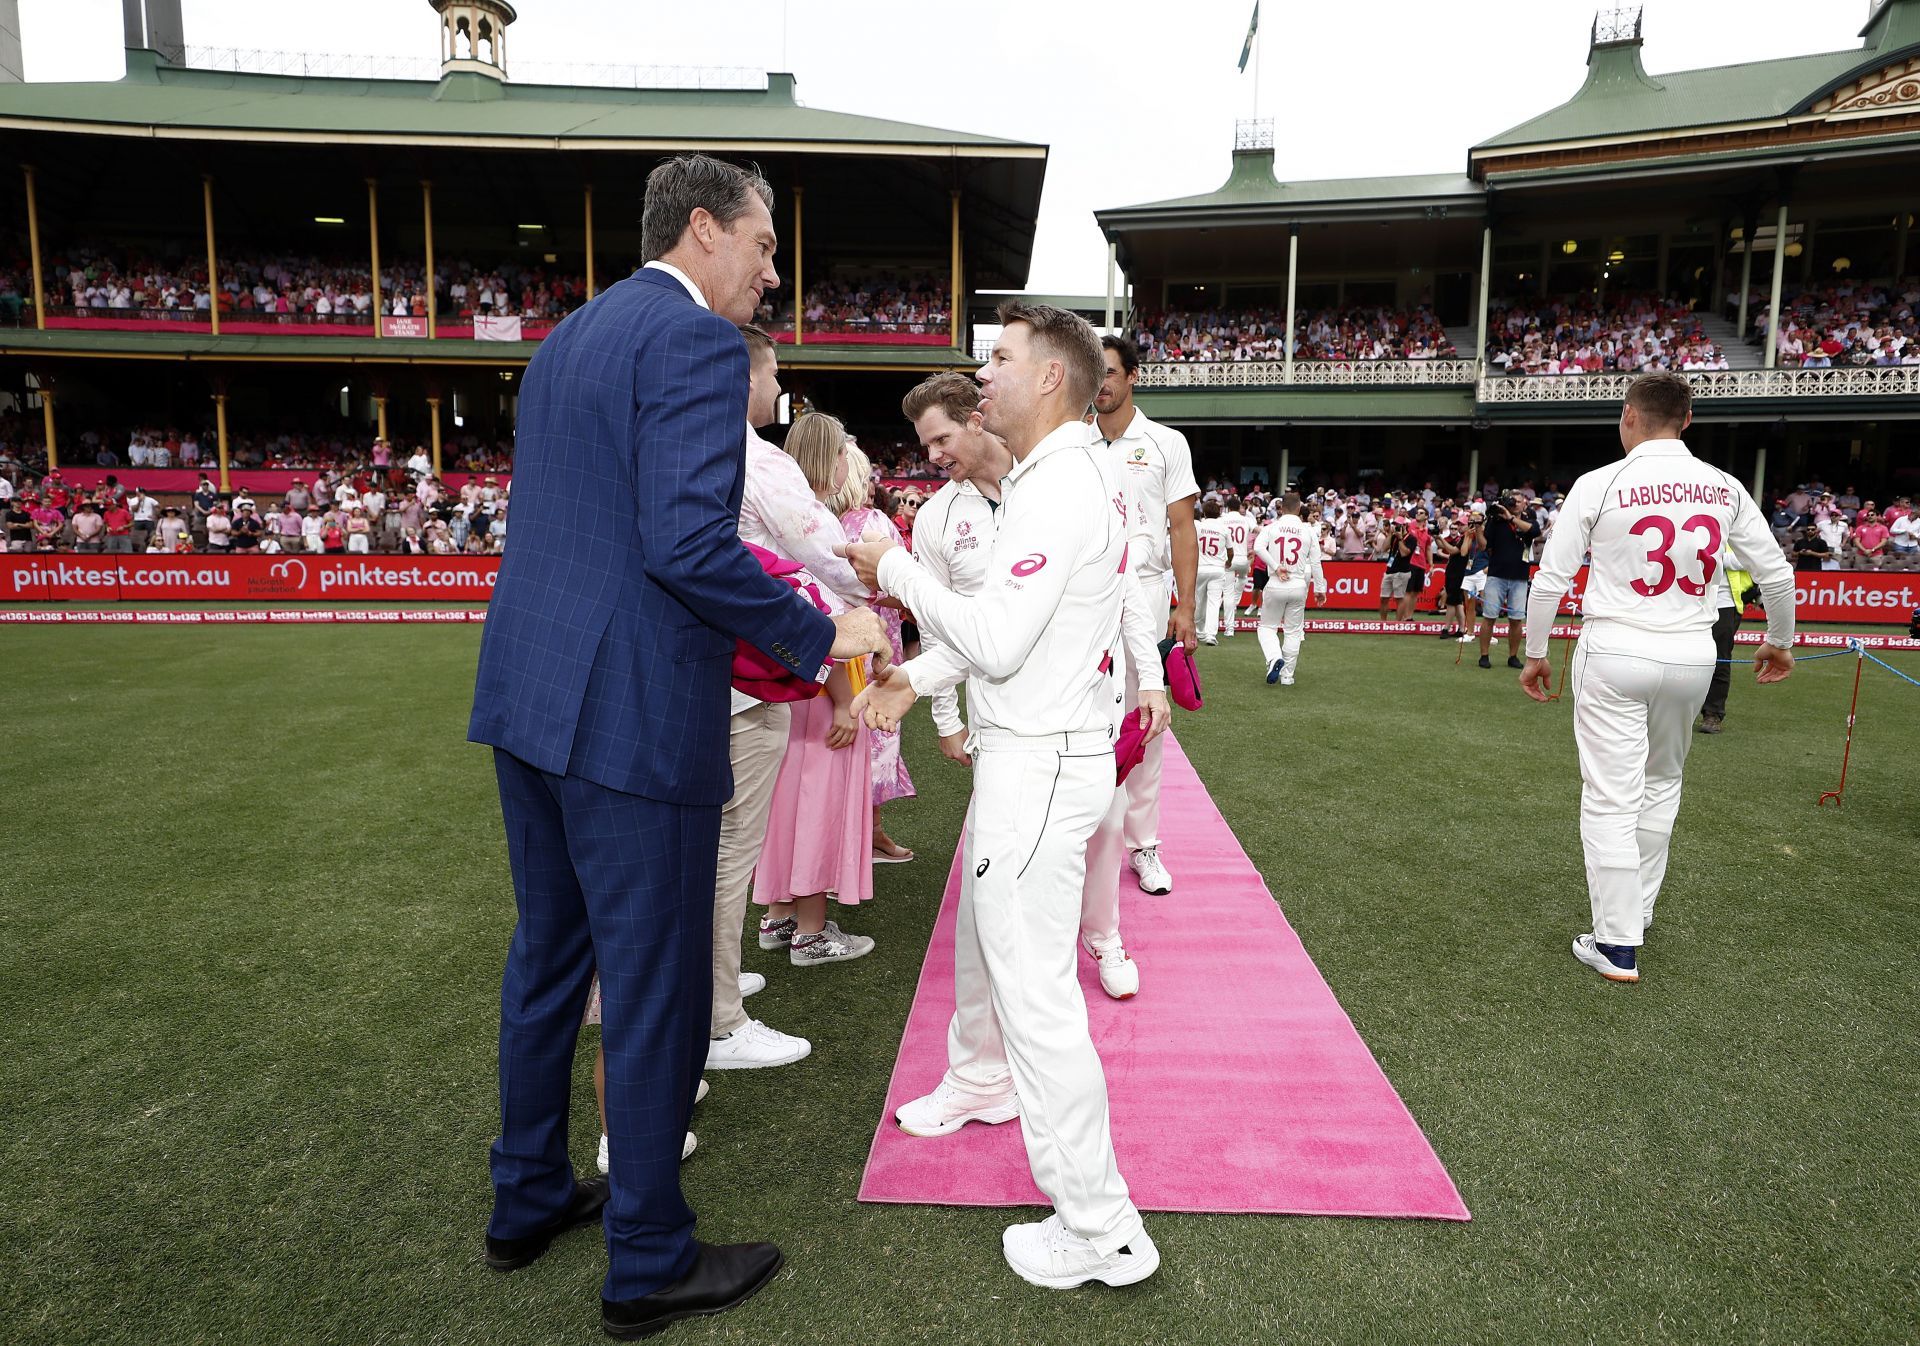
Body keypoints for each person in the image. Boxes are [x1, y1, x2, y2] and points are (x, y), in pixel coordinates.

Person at [466, 153, 886, 1337]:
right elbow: (687, 547)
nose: (771, 273)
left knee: (550, 955)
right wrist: (823, 640)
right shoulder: (695, 345)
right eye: (761, 248)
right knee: (649, 984)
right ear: (703, 230)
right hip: (629, 712)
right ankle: (647, 1254)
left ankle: (527, 1190)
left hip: (530, 695)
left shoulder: (568, 338)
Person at [847, 302, 1164, 1290]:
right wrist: (919, 679)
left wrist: (888, 565)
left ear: (1053, 380)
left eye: (1002, 358)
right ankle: (1031, 1139)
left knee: (1036, 999)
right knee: (1021, 979)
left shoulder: (1062, 480)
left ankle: (1100, 1224)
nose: (983, 374)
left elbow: (997, 637)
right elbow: (1020, 628)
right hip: (1044, 754)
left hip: (1037, 764)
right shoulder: (1074, 473)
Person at [898, 368, 1167, 1001]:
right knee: (1007, 849)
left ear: (976, 417)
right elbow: (941, 631)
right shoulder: (938, 520)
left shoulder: (1062, 480)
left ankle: (1103, 936)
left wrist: (1148, 678)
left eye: (939, 440)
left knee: (1101, 822)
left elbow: (1122, 581)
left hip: (1088, 704)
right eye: (924, 446)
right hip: (999, 713)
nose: (932, 458)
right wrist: (946, 720)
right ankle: (1001, 987)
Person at [1520, 371, 1796, 984]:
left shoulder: (1601, 482)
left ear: (1628, 417)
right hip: (1693, 652)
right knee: (1662, 783)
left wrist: (1536, 650)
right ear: (1688, 420)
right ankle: (1632, 921)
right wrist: (1780, 641)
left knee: (1611, 795)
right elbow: (1776, 575)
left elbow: (1549, 581)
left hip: (1617, 645)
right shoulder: (1722, 485)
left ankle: (1618, 942)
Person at [707, 322, 869, 1074]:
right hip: (744, 676)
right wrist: (890, 583)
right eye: (773, 375)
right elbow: (824, 549)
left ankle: (709, 979)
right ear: (745, 378)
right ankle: (717, 1016)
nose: (779, 390)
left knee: (708, 848)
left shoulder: (680, 437)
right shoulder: (754, 453)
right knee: (727, 850)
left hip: (698, 669)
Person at [751, 412, 881, 967]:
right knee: (819, 804)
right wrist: (846, 696)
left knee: (783, 803)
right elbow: (830, 617)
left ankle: (779, 916)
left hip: (783, 686)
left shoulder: (775, 521)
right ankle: (809, 930)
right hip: (824, 687)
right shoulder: (826, 537)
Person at [1092, 333, 1198, 896]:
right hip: (1085, 597)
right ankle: (1087, 836)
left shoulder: (1164, 443)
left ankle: (1144, 844)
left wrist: (1186, 607)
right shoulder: (1073, 442)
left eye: (1110, 372)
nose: (1101, 384)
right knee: (1085, 716)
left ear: (1133, 375)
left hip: (1149, 593)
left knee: (1146, 720)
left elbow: (1183, 528)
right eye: (1095, 374)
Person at [831, 441, 917, 863]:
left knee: (834, 742)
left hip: (829, 647)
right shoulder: (873, 521)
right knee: (876, 732)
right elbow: (900, 586)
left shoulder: (815, 523)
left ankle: (856, 838)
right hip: (873, 646)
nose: (870, 483)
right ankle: (867, 837)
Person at [1253, 492, 1327, 685]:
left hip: (1277, 582)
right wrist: (1320, 588)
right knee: (1293, 631)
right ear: (1299, 507)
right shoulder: (1308, 530)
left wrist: (1276, 566)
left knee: (1266, 627)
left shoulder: (1272, 527)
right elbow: (1316, 562)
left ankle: (1274, 657)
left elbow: (1258, 548)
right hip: (1298, 584)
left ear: (1281, 508)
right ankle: (1287, 675)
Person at [1477, 491, 1535, 669]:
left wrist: (1511, 518)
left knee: (1516, 619)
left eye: (1518, 502)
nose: (1515, 504)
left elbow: (1534, 531)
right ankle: (1484, 655)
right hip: (1497, 574)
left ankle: (1513, 656)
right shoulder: (1496, 521)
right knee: (1489, 617)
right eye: (1512, 501)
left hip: (1519, 576)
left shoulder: (1529, 519)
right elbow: (1485, 546)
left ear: (1524, 504)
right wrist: (1479, 528)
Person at [1193, 500, 1230, 645]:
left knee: (1198, 601)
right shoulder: (1223, 528)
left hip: (1200, 567)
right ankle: (1210, 635)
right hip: (1217, 568)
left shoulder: (1198, 527)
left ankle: (1197, 631)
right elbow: (1230, 550)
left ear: (1204, 512)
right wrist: (1229, 562)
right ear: (1219, 513)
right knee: (1214, 602)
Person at [1220, 494, 1252, 631]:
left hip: (1228, 559)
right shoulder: (1246, 520)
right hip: (1243, 558)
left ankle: (1229, 629)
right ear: (1239, 507)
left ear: (1227, 507)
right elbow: (1259, 531)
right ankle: (1236, 601)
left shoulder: (1222, 520)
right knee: (1244, 577)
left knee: (1227, 594)